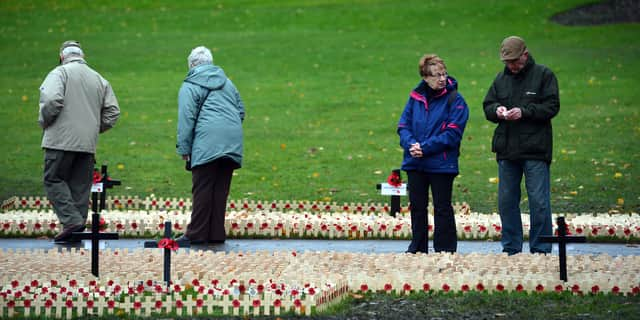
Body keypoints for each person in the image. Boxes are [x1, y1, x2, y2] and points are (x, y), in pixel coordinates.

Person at [483, 36, 560, 255]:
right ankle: (511, 249)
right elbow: (488, 105)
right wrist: (497, 110)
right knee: (506, 201)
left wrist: (524, 112)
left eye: (515, 61)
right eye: (508, 62)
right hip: (507, 150)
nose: (511, 66)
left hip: (535, 149)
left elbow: (552, 106)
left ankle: (541, 249)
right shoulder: (501, 79)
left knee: (539, 201)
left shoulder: (544, 75)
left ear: (525, 55)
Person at [39, 40, 120, 242]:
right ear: (82, 57)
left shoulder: (60, 73)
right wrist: (93, 128)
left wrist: (45, 121)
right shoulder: (98, 78)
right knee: (80, 186)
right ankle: (74, 231)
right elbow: (113, 111)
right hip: (87, 143)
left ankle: (72, 222)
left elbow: (51, 100)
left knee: (53, 179)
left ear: (61, 57)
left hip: (60, 140)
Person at [397, 54, 469, 253]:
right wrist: (411, 144)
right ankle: (417, 248)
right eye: (436, 75)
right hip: (415, 162)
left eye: (444, 74)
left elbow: (453, 133)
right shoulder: (415, 97)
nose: (442, 79)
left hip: (442, 163)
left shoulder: (456, 100)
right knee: (417, 207)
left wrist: (425, 147)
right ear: (425, 77)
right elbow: (403, 125)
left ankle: (445, 250)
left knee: (442, 207)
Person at [176, 46, 245, 244]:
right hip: (232, 142)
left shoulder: (190, 85)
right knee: (220, 189)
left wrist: (184, 149)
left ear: (191, 65)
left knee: (203, 187)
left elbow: (186, 118)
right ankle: (215, 234)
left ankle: (196, 234)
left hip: (206, 142)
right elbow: (241, 111)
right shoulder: (228, 83)